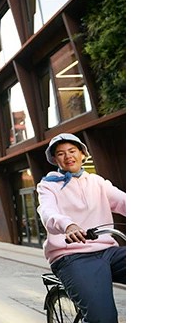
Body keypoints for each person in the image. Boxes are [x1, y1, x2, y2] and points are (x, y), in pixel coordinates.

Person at [36, 133, 126, 323]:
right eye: (60, 153)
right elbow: (47, 211)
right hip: (72, 256)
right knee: (103, 319)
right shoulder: (48, 186)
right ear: (54, 159)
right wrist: (67, 225)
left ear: (83, 154)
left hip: (109, 251)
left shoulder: (97, 182)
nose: (68, 156)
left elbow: (123, 201)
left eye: (72, 150)